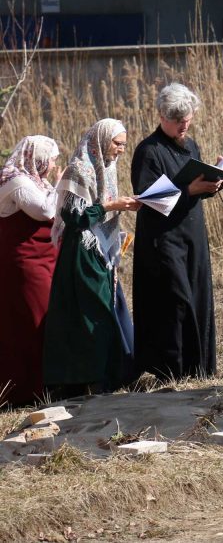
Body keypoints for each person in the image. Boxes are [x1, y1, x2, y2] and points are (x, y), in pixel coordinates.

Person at [44, 119, 140, 397]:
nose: (121, 150)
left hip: (101, 253)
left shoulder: (107, 167)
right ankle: (88, 379)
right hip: (82, 255)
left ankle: (104, 376)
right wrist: (110, 205)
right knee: (91, 315)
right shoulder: (79, 170)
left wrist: (125, 206)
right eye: (117, 144)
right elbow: (74, 218)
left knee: (102, 313)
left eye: (124, 144)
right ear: (101, 141)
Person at [131, 83, 221, 381]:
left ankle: (199, 367)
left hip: (192, 232)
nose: (184, 125)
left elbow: (196, 187)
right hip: (163, 238)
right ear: (162, 117)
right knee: (175, 299)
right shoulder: (149, 151)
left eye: (188, 119)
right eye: (177, 120)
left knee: (197, 295)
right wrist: (189, 189)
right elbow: (148, 197)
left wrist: (213, 181)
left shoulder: (191, 145)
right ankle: (171, 370)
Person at [0, 135, 61, 405]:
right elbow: (45, 211)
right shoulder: (18, 182)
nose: (52, 165)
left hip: (44, 259)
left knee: (46, 319)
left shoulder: (36, 181)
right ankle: (25, 391)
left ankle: (46, 384)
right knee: (30, 321)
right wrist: (61, 184)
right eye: (51, 159)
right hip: (25, 264)